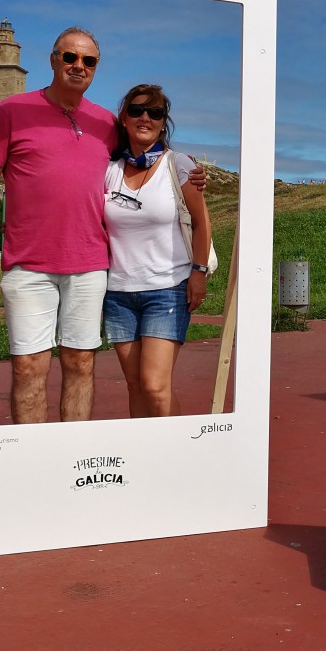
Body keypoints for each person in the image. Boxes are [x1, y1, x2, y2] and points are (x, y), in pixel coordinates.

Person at [0, 28, 205, 424]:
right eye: (70, 57)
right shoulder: (11, 110)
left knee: (81, 363)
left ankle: (70, 458)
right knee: (28, 366)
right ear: (53, 59)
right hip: (27, 264)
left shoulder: (103, 122)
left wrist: (192, 175)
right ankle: (35, 461)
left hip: (91, 264)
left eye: (89, 60)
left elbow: (143, 153)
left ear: (96, 67)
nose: (79, 66)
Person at [103, 84, 212, 417]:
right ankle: (143, 458)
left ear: (164, 122)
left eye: (155, 112)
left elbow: (201, 221)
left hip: (167, 289)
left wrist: (199, 272)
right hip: (118, 292)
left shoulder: (177, 164)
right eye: (136, 111)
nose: (145, 118)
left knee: (154, 384)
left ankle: (179, 459)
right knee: (135, 385)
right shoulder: (110, 169)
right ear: (124, 118)